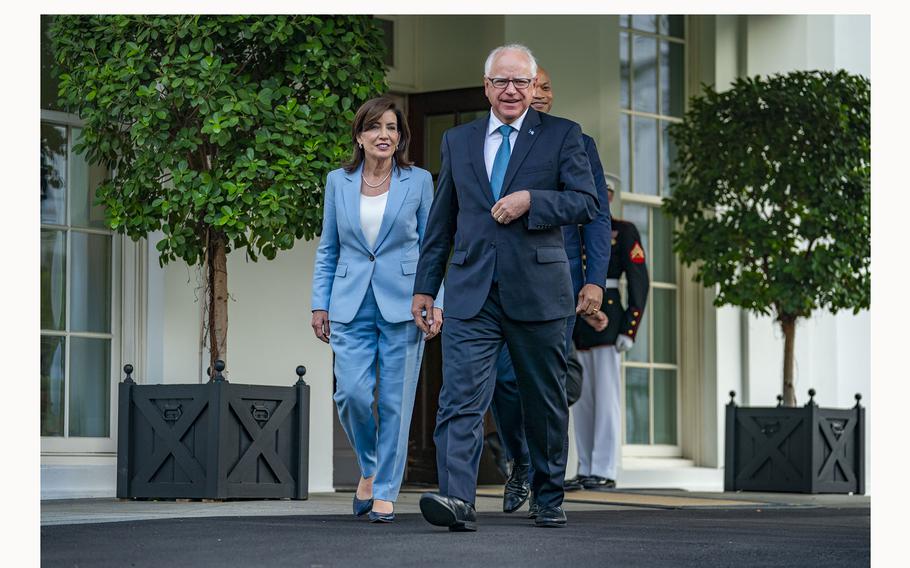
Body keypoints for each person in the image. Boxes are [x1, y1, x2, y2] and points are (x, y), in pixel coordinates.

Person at [411, 44, 599, 531]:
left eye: (521, 82)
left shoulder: (562, 136)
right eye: (501, 82)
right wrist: (426, 288)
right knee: (459, 398)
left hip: (538, 290)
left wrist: (530, 201)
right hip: (472, 290)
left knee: (544, 398)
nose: (511, 90)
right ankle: (457, 500)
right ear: (486, 87)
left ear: (534, 85)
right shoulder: (459, 140)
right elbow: (442, 221)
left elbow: (585, 203)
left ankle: (548, 494)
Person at [310, 96, 442, 524]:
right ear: (360, 136)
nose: (384, 135)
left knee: (395, 404)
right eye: (375, 128)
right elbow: (329, 247)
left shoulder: (419, 181)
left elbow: (432, 247)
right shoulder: (338, 182)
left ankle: (385, 489)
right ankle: (369, 466)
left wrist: (436, 300)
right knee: (349, 394)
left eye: (391, 128)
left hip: (405, 302)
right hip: (348, 303)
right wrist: (319, 303)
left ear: (401, 136)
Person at [489, 66, 612, 517]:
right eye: (527, 85)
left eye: (543, 86)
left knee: (547, 386)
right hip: (501, 282)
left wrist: (594, 281)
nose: (536, 93)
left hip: (555, 287)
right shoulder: (492, 141)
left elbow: (595, 217)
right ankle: (520, 458)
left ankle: (546, 483)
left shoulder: (576, 142)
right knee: (504, 380)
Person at [568, 184, 650, 490]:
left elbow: (639, 281)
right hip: (578, 322)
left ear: (611, 197)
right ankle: (586, 466)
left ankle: (604, 468)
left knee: (606, 399)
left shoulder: (624, 231)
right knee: (582, 400)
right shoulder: (574, 231)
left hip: (609, 321)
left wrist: (630, 327)